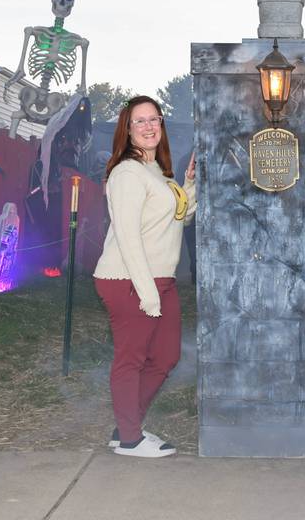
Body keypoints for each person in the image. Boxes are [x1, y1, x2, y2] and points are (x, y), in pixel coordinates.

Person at [94, 95, 196, 458]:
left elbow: (174, 220)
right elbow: (127, 235)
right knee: (131, 359)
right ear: (127, 129)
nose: (149, 126)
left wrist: (189, 187)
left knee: (166, 357)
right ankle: (130, 439)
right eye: (140, 121)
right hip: (128, 280)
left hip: (158, 279)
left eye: (155, 119)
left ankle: (126, 424)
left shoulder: (156, 171)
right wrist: (146, 291)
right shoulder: (126, 173)